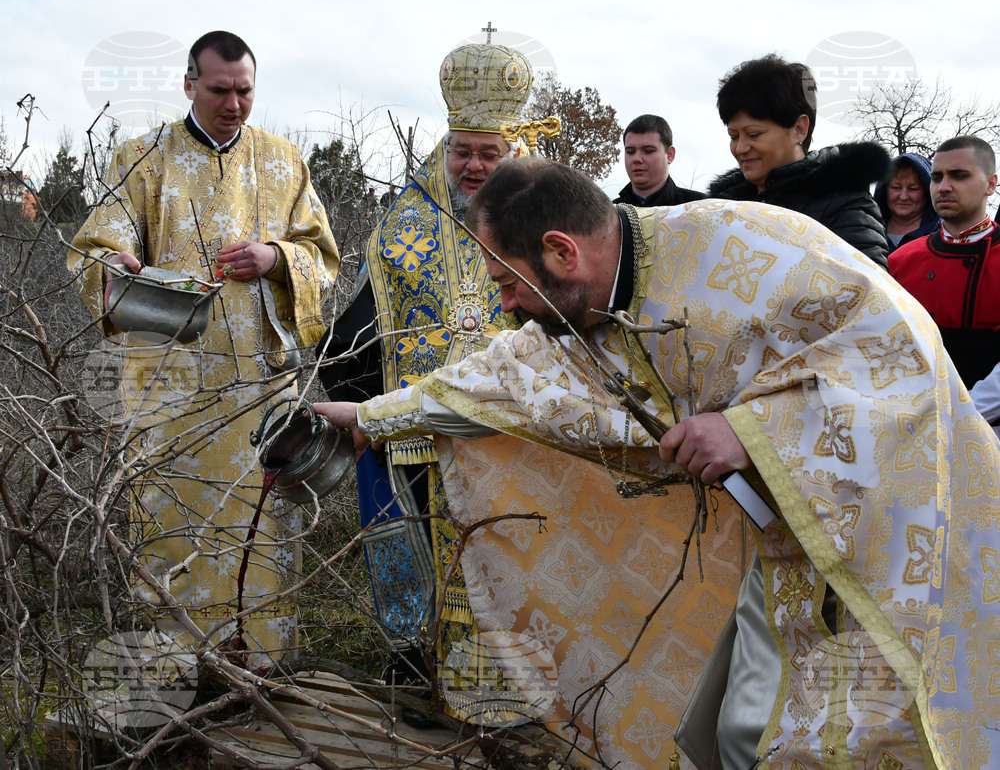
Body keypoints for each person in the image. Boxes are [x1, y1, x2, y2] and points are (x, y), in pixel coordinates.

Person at [315, 156, 999, 769]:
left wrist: (752, 427)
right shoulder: (581, 307)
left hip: (909, 530)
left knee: (884, 731)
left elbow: (901, 358)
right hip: (789, 536)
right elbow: (505, 378)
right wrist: (370, 417)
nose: (505, 304)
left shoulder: (748, 246)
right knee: (749, 731)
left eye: (507, 280)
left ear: (560, 251)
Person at [68, 30, 340, 668]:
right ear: (189, 84)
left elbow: (323, 259)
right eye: (220, 90)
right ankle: (175, 675)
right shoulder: (143, 159)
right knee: (171, 532)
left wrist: (278, 258)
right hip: (170, 395)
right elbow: (93, 247)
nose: (234, 104)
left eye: (245, 90)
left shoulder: (283, 161)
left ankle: (262, 672)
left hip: (259, 391)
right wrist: (116, 265)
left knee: (259, 528)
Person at [315, 40, 547, 720]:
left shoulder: (544, 217)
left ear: (513, 150)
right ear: (446, 146)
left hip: (517, 428)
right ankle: (421, 679)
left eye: (489, 152)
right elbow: (367, 314)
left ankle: (518, 695)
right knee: (422, 557)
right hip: (419, 430)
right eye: (462, 150)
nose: (474, 165)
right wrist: (360, 400)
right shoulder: (406, 221)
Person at [708, 53, 891, 269]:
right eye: (734, 136)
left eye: (754, 134)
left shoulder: (845, 207)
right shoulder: (722, 208)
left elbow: (865, 293)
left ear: (799, 129)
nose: (740, 148)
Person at [888, 135, 1000, 387]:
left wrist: (970, 410)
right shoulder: (899, 260)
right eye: (937, 177)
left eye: (959, 175)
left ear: (990, 184)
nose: (944, 187)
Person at [614, 113, 705, 206]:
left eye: (648, 151)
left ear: (670, 155)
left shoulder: (702, 208)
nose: (637, 159)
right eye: (630, 151)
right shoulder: (607, 213)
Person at [874, 153, 940, 252]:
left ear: (927, 192)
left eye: (913, 189)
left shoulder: (943, 236)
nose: (903, 197)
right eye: (896, 188)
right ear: (885, 191)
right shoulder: (867, 231)